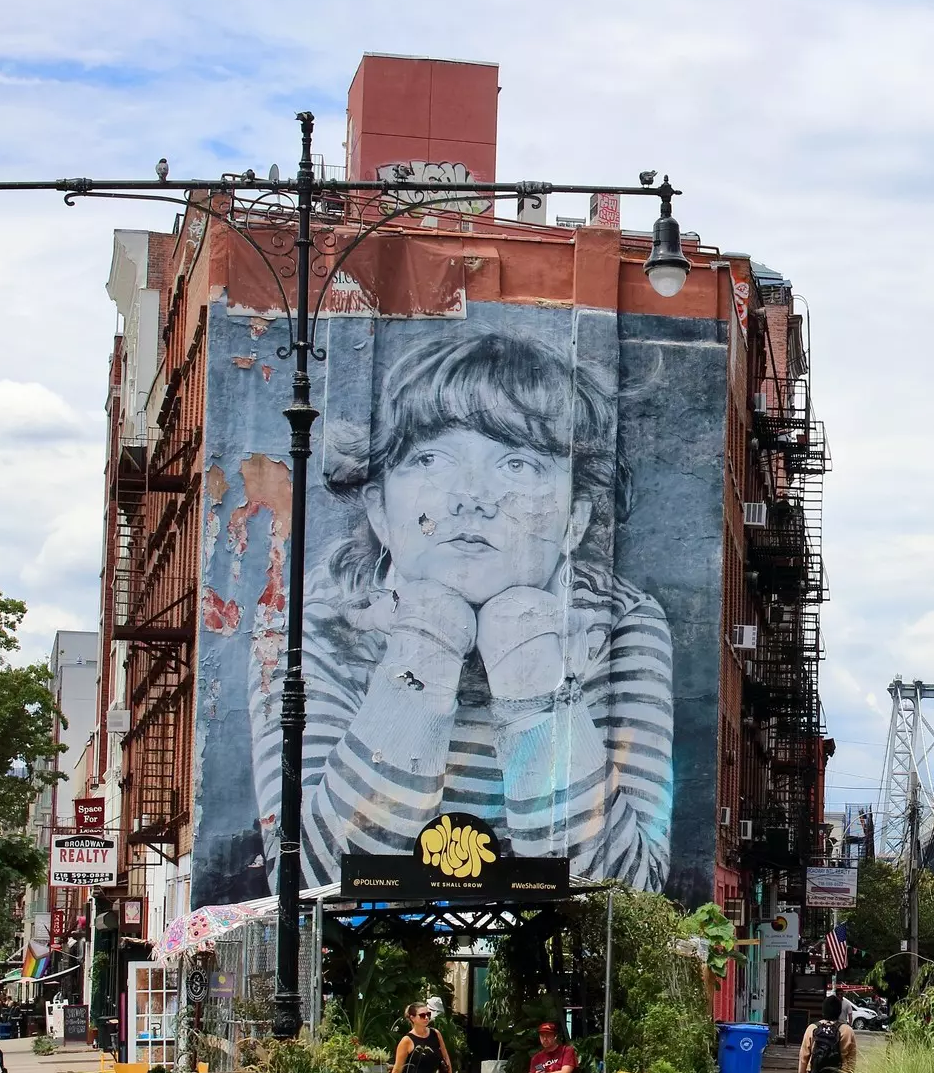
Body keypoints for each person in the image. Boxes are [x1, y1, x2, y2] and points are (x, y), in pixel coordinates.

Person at [252, 330, 676, 897]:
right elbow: (309, 882)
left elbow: (628, 897)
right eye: (431, 458)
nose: (470, 496)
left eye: (518, 464)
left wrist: (529, 671)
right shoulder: (310, 621)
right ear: (379, 508)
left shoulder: (624, 624)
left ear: (574, 521)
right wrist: (425, 644)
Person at [382, 1003, 454, 1073]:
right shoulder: (407, 1041)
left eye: (428, 1014)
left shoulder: (436, 1034)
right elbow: (397, 1069)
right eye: (422, 1015)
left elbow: (446, 1059)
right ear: (412, 1018)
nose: (426, 1018)